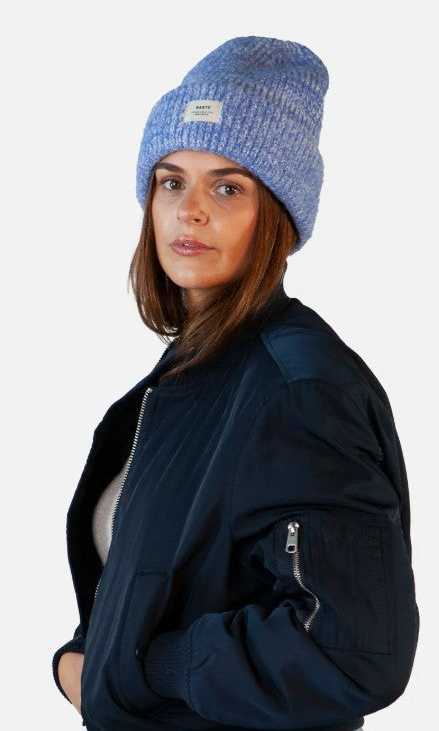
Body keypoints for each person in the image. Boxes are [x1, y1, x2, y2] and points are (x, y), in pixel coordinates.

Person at [52, 36, 419, 731]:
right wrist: (86, 654)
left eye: (227, 187)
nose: (190, 210)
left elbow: (351, 652)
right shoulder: (195, 370)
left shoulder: (300, 390)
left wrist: (136, 667)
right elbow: (178, 574)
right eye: (171, 181)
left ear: (276, 212)